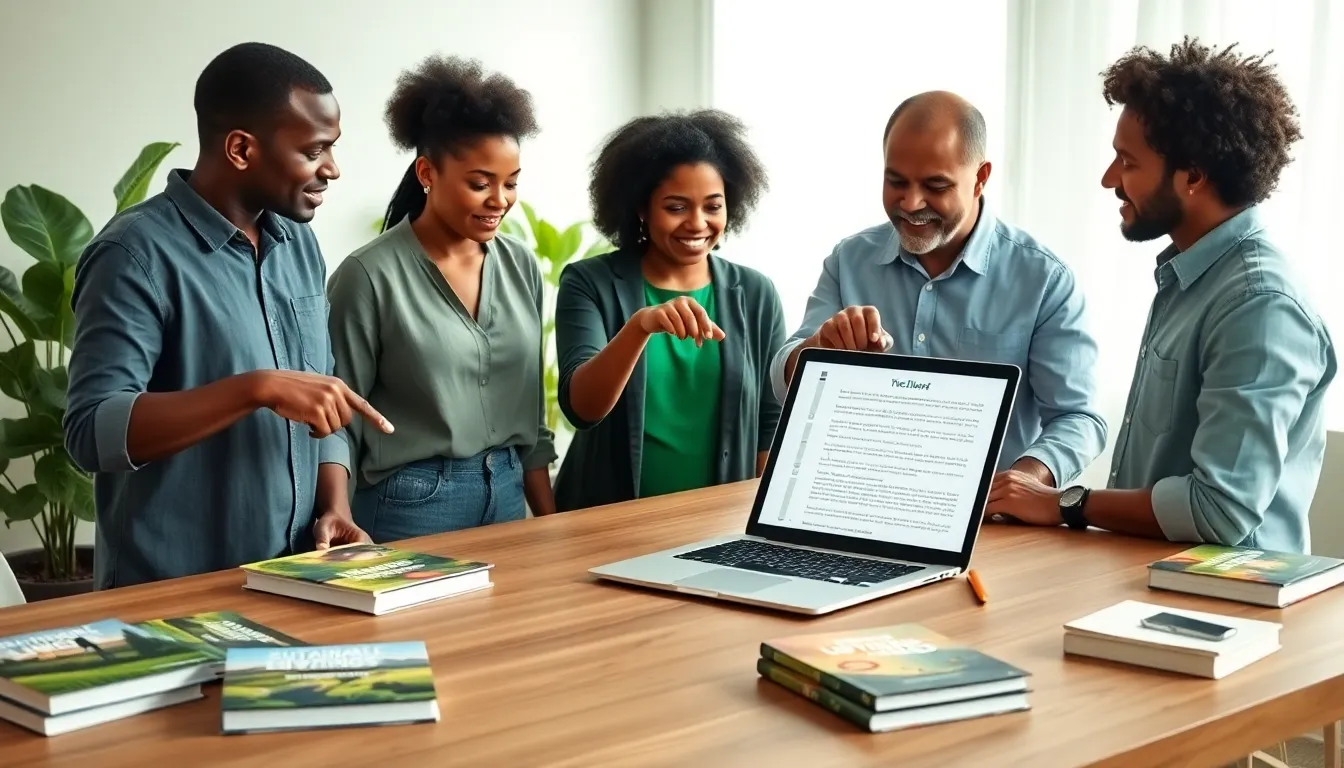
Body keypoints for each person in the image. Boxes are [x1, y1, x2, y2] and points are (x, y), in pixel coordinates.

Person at [986, 38, 1337, 554]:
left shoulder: (1260, 305)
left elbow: (1220, 510)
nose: (1109, 179)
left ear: (1192, 175)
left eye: (1127, 162)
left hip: (1228, 596)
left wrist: (1065, 504)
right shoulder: (1190, 278)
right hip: (1152, 579)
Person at [63, 42, 392, 590]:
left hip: (295, 578)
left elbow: (322, 393)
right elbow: (91, 431)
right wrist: (255, 389)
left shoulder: (299, 245)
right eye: (314, 150)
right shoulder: (132, 254)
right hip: (172, 595)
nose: (332, 169)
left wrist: (335, 505)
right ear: (241, 149)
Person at [770, 91, 1107, 494]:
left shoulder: (1045, 280)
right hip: (862, 501)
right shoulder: (849, 260)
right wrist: (819, 349)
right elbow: (783, 379)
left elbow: (1077, 418)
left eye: (935, 185)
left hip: (990, 517)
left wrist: (1024, 481)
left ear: (981, 178)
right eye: (896, 181)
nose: (911, 203)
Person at [326, 55, 556, 542]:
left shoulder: (520, 265)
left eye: (511, 183)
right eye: (480, 183)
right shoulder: (367, 276)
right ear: (427, 172)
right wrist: (337, 516)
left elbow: (533, 419)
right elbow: (338, 420)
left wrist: (552, 523)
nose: (500, 200)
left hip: (509, 492)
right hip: (410, 504)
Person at [552, 109, 785, 511]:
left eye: (713, 206)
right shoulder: (589, 282)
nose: (697, 223)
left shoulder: (755, 293)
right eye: (676, 207)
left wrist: (764, 521)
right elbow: (583, 409)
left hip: (717, 522)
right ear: (641, 208)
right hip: (607, 520)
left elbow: (769, 421)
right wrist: (639, 327)